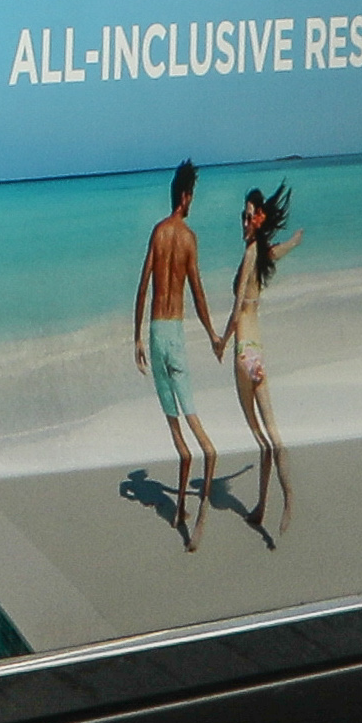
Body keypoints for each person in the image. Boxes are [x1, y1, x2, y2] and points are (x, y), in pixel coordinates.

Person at [136, 162, 228, 543]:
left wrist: (137, 338)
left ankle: (179, 507)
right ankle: (197, 491)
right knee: (190, 413)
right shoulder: (189, 238)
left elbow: (142, 287)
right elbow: (198, 291)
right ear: (186, 195)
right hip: (177, 331)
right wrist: (212, 335)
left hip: (158, 331)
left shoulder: (159, 233)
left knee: (173, 421)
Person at [224, 182, 300, 545]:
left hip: (243, 354)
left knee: (260, 436)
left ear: (256, 219)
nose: (243, 221)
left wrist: (222, 339)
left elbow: (239, 304)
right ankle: (275, 503)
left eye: (247, 215)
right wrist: (297, 240)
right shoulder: (264, 252)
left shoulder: (251, 252)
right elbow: (281, 250)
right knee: (273, 437)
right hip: (260, 355)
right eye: (243, 215)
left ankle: (268, 504)